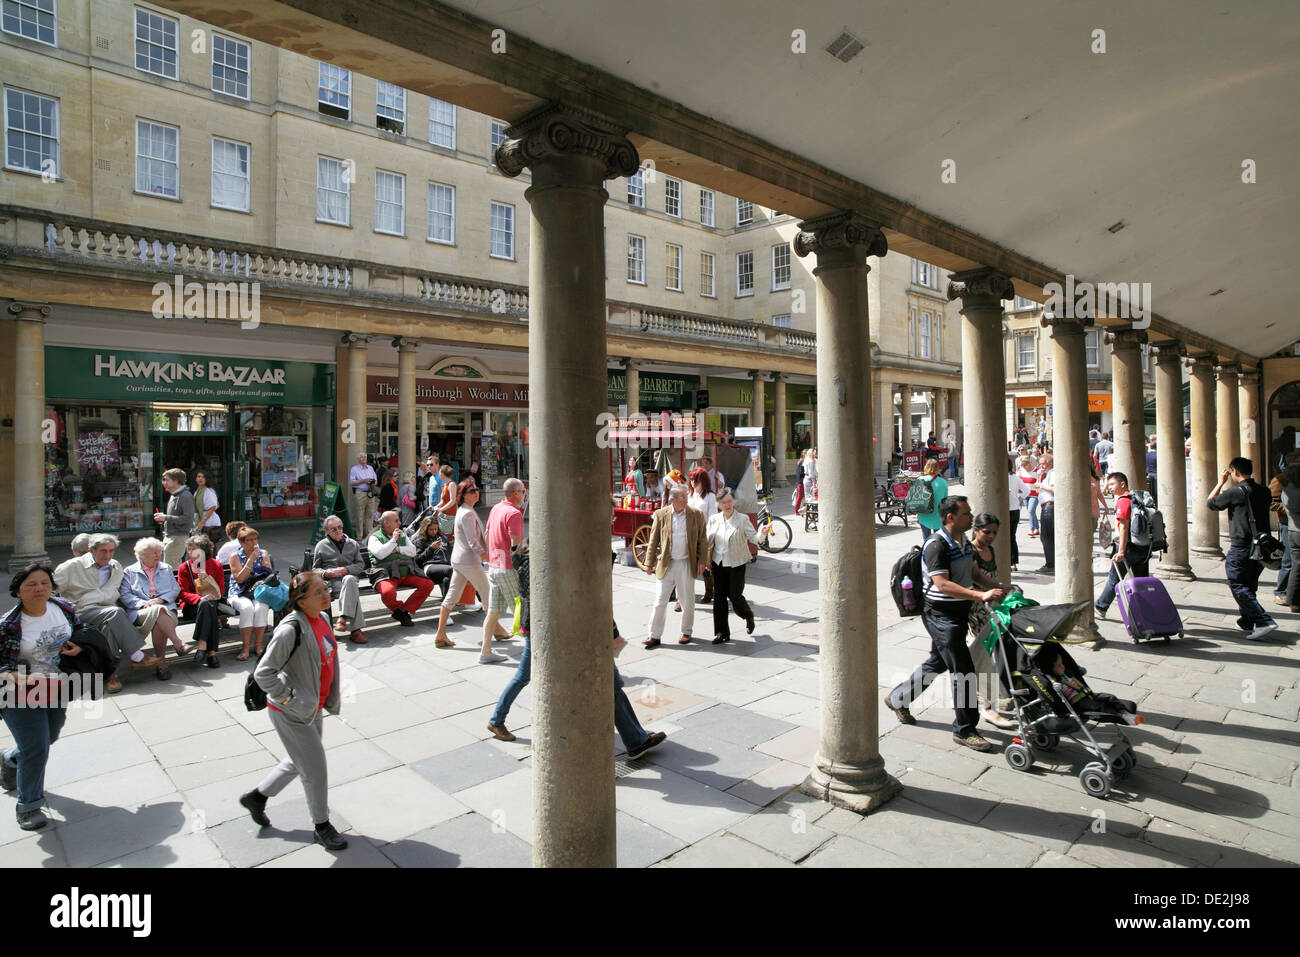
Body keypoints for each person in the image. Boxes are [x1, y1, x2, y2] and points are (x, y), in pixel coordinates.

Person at [885, 495, 1007, 752]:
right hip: (940, 616)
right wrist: (979, 595)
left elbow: (974, 574)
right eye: (966, 513)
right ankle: (965, 729)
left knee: (938, 661)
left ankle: (898, 698)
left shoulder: (963, 542)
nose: (971, 516)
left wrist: (996, 586)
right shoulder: (936, 545)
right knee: (963, 670)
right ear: (950, 517)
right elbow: (942, 584)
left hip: (958, 613)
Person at [241, 572, 347, 851]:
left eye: (326, 589)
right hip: (291, 711)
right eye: (319, 592)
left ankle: (257, 797)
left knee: (300, 760)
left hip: (313, 706)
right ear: (301, 601)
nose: (327, 595)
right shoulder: (290, 629)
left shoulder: (322, 619)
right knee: (315, 769)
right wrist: (289, 698)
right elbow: (264, 674)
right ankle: (321, 826)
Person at [0, 563, 86, 831]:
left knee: (49, 737)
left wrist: (80, 644)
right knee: (37, 747)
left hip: (54, 687)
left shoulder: (63, 608)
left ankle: (9, 759)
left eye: (45, 583)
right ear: (18, 591)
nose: (39, 589)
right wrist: (16, 677)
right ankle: (29, 806)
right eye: (31, 585)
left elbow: (80, 630)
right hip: (17, 692)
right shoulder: (8, 624)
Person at [53, 533, 159, 694]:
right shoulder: (71, 567)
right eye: (103, 551)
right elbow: (51, 591)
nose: (108, 555)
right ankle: (136, 655)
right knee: (115, 612)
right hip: (81, 613)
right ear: (91, 550)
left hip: (106, 614)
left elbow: (116, 592)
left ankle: (112, 677)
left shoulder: (115, 566)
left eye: (111, 551)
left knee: (109, 626)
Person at [434, 481, 510, 657]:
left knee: (452, 596)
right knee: (489, 597)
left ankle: (441, 634)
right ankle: (493, 636)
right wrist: (487, 557)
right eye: (472, 491)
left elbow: (473, 538)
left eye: (476, 490)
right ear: (463, 495)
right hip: (469, 562)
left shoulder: (465, 511)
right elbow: (472, 542)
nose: (476, 492)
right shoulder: (467, 513)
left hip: (461, 561)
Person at [1208, 457, 1278, 640]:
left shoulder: (1235, 492)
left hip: (1241, 545)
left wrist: (1220, 482)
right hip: (1261, 545)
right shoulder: (1264, 491)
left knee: (1237, 583)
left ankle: (1263, 620)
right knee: (1250, 584)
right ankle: (1247, 621)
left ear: (1235, 472)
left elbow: (1211, 503)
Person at [966, 513, 1017, 730]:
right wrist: (994, 588)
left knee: (994, 653)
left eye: (995, 532)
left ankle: (992, 699)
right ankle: (986, 706)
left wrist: (1001, 588)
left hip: (992, 606)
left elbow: (992, 575)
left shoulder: (991, 550)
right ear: (976, 530)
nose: (991, 536)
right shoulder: (969, 551)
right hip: (977, 608)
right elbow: (974, 579)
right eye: (987, 532)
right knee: (988, 654)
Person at [642, 484, 708, 648]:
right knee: (660, 600)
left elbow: (703, 540)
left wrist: (702, 561)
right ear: (672, 499)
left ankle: (686, 631)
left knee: (687, 601)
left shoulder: (696, 515)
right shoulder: (661, 514)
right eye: (683, 497)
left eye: (686, 496)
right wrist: (649, 562)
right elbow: (653, 540)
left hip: (686, 562)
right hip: (667, 563)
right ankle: (654, 635)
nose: (686, 499)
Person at [119, 537, 187, 679]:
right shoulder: (129, 571)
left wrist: (160, 600)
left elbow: (175, 589)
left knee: (158, 618)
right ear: (142, 555)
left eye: (159, 551)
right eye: (154, 552)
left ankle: (161, 664)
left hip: (166, 609)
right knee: (157, 611)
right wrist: (144, 604)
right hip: (140, 612)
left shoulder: (165, 568)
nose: (158, 555)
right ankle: (178, 644)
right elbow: (125, 595)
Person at [706, 487, 767, 643]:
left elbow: (754, 538)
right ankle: (722, 633)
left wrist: (763, 533)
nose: (727, 505)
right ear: (719, 504)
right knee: (719, 598)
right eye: (724, 502)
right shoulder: (714, 519)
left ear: (733, 501)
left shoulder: (742, 519)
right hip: (718, 563)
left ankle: (748, 615)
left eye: (729, 501)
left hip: (737, 563)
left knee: (735, 595)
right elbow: (706, 541)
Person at [1094, 471, 1151, 623]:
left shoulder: (1123, 501)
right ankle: (1144, 611)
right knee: (1141, 580)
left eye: (1112, 484)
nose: (1109, 487)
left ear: (1122, 484)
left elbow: (1124, 527)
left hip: (1128, 547)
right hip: (1143, 547)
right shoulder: (1137, 498)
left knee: (1114, 578)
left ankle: (1100, 607)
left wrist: (1121, 551)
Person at [367, 510, 436, 628]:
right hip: (386, 575)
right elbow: (380, 554)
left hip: (406, 573)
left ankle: (404, 611)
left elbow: (413, 551)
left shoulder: (402, 535)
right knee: (387, 592)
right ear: (386, 523)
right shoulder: (374, 538)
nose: (400, 523)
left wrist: (397, 549)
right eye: (396, 521)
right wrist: (393, 541)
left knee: (428, 584)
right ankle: (399, 611)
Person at [483, 478, 527, 658]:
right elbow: (515, 543)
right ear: (515, 493)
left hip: (493, 566)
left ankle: (485, 651)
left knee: (493, 611)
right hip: (508, 568)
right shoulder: (514, 513)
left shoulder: (496, 508)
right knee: (522, 610)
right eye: (523, 491)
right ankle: (532, 653)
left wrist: (492, 554)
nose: (525, 495)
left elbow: (486, 534)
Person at [312, 515, 368, 644]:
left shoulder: (352, 543)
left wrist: (347, 569)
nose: (338, 531)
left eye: (340, 528)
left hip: (350, 579)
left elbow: (360, 565)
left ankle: (342, 618)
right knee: (352, 591)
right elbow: (315, 570)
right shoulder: (321, 546)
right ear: (327, 531)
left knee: (349, 580)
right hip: (333, 584)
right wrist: (327, 573)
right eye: (333, 529)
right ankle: (356, 631)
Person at [177, 535, 225, 668]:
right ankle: (211, 653)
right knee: (206, 606)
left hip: (211, 601)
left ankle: (203, 647)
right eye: (189, 549)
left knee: (207, 606)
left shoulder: (215, 565)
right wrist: (199, 598)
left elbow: (220, 590)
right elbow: (183, 593)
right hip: (191, 606)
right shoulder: (184, 567)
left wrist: (208, 580)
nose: (191, 552)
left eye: (194, 549)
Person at [228, 526, 274, 660]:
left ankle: (258, 645)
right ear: (242, 542)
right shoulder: (235, 556)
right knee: (247, 608)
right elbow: (240, 579)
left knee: (261, 607)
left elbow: (268, 575)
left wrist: (255, 569)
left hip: (257, 590)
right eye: (250, 540)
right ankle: (246, 647)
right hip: (239, 592)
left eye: (255, 539)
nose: (254, 543)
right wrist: (251, 560)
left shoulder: (263, 553)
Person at [1269, 451, 1300, 612]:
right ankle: (1281, 591)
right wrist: (1287, 510)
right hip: (1287, 523)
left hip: (1293, 523)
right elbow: (1271, 501)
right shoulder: (1280, 480)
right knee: (1288, 561)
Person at [153, 468, 196, 567]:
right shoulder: (174, 495)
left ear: (176, 481)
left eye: (166, 480)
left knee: (171, 568)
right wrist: (167, 525)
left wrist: (166, 518)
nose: (163, 482)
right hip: (172, 536)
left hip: (178, 538)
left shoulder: (185, 496)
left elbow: (187, 518)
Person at [687, 469, 718, 603]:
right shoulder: (689, 495)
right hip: (690, 535)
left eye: (696, 480)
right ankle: (682, 596)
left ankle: (710, 593)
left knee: (707, 565)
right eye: (692, 479)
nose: (693, 482)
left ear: (703, 481)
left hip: (705, 534)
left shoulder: (710, 496)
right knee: (689, 565)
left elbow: (713, 517)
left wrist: (709, 538)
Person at [916, 455, 950, 545]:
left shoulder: (920, 480)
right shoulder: (943, 482)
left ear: (926, 467)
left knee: (926, 539)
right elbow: (945, 500)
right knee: (938, 540)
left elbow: (916, 498)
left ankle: (926, 555)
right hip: (938, 515)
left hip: (924, 514)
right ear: (937, 468)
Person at [348, 452, 377, 540]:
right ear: (358, 459)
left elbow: (376, 480)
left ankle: (369, 534)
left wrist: (372, 482)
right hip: (360, 492)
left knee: (370, 514)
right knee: (360, 514)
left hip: (370, 492)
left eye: (365, 457)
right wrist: (363, 480)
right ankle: (359, 535)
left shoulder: (370, 468)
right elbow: (352, 482)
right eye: (361, 457)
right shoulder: (354, 469)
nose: (364, 459)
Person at [1007, 456, 1029, 570]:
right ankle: (1013, 562)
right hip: (1015, 510)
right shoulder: (1014, 477)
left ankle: (1009, 561)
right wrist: (1019, 499)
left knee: (1006, 537)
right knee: (1012, 537)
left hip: (1006, 511)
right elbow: (1026, 490)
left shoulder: (1003, 477)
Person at [1036, 452, 1056, 573]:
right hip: (1045, 506)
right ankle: (1051, 562)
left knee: (1046, 536)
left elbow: (1054, 489)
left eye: (1044, 464)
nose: (1041, 466)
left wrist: (1041, 485)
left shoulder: (1053, 473)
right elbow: (1038, 489)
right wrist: (1039, 478)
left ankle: (1050, 564)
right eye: (1040, 464)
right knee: (1046, 536)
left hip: (1049, 506)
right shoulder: (1046, 474)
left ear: (1051, 463)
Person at [1018, 455, 1040, 537]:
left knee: (1031, 510)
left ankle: (1031, 529)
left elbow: (1039, 482)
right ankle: (1036, 528)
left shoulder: (1036, 471)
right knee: (1031, 512)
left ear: (1029, 463)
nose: (1023, 467)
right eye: (1022, 465)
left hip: (1034, 495)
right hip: (1025, 495)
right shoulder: (1021, 471)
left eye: (1025, 465)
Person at [193, 469, 221, 534]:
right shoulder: (196, 492)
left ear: (206, 479)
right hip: (200, 521)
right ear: (195, 479)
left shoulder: (208, 491)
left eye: (203, 477)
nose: (201, 479)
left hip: (209, 522)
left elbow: (212, 507)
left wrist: (202, 522)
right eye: (199, 476)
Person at [1145, 437, 1159, 506]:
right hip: (1156, 475)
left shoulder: (1146, 455)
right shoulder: (1158, 456)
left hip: (1148, 475)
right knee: (1156, 493)